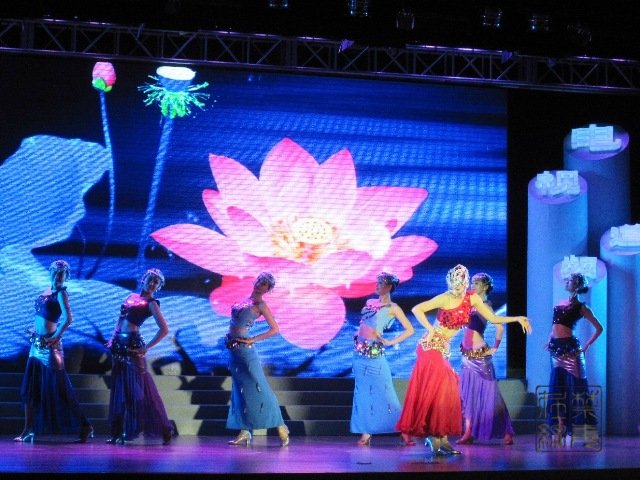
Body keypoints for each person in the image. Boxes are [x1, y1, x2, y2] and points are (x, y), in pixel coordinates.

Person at [396, 264, 531, 455]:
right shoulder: (445, 297)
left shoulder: (472, 298)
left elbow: (493, 318)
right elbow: (417, 308)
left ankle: (441, 439)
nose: (456, 289)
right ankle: (434, 437)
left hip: (443, 349)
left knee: (448, 392)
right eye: (453, 285)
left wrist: (517, 318)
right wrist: (431, 329)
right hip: (429, 347)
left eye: (460, 285)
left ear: (465, 283)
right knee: (446, 386)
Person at [15, 260, 93, 443]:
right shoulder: (46, 291)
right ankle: (28, 429)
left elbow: (68, 319)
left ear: (66, 276)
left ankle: (85, 425)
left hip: (50, 347)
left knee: (61, 390)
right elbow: (41, 316)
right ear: (50, 273)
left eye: (61, 273)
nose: (57, 276)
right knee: (31, 389)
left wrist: (55, 336)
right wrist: (35, 330)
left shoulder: (61, 293)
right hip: (36, 345)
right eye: (55, 272)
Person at [106, 268, 174, 445]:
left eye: (156, 282)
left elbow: (164, 329)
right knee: (120, 389)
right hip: (119, 344)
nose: (152, 284)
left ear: (158, 286)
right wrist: (113, 338)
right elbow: (121, 319)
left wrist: (146, 347)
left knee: (141, 390)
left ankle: (164, 429)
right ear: (144, 279)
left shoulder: (152, 303)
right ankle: (117, 432)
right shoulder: (131, 297)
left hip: (133, 346)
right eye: (150, 279)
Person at [350, 272, 415, 446]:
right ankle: (366, 432)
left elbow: (410, 330)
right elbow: (364, 323)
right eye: (377, 282)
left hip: (375, 354)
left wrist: (391, 342)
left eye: (380, 283)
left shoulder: (394, 308)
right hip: (359, 352)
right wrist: (357, 334)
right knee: (362, 393)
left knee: (385, 392)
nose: (376, 286)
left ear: (388, 287)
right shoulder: (370, 302)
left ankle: (404, 431)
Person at [225, 272, 289, 446]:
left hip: (246, 350)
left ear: (268, 290)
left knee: (259, 387)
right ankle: (245, 431)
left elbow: (275, 329)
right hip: (233, 349)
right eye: (260, 281)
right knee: (240, 389)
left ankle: (280, 425)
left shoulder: (260, 305)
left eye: (265, 284)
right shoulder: (244, 300)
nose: (260, 285)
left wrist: (253, 339)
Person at [457, 273, 515, 445]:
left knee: (491, 395)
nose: (472, 285)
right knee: (468, 395)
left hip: (481, 357)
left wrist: (495, 348)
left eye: (476, 283)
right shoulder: (471, 303)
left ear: (485, 286)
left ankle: (506, 431)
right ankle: (468, 431)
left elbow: (499, 328)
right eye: (472, 282)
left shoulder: (486, 306)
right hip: (466, 356)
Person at [545, 272, 603, 443]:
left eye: (570, 280)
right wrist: (549, 339)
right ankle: (560, 428)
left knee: (578, 392)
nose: (567, 282)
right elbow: (554, 326)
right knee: (557, 391)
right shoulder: (559, 304)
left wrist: (586, 346)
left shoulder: (582, 307)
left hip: (571, 351)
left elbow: (599, 328)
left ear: (577, 285)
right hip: (556, 351)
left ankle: (587, 433)